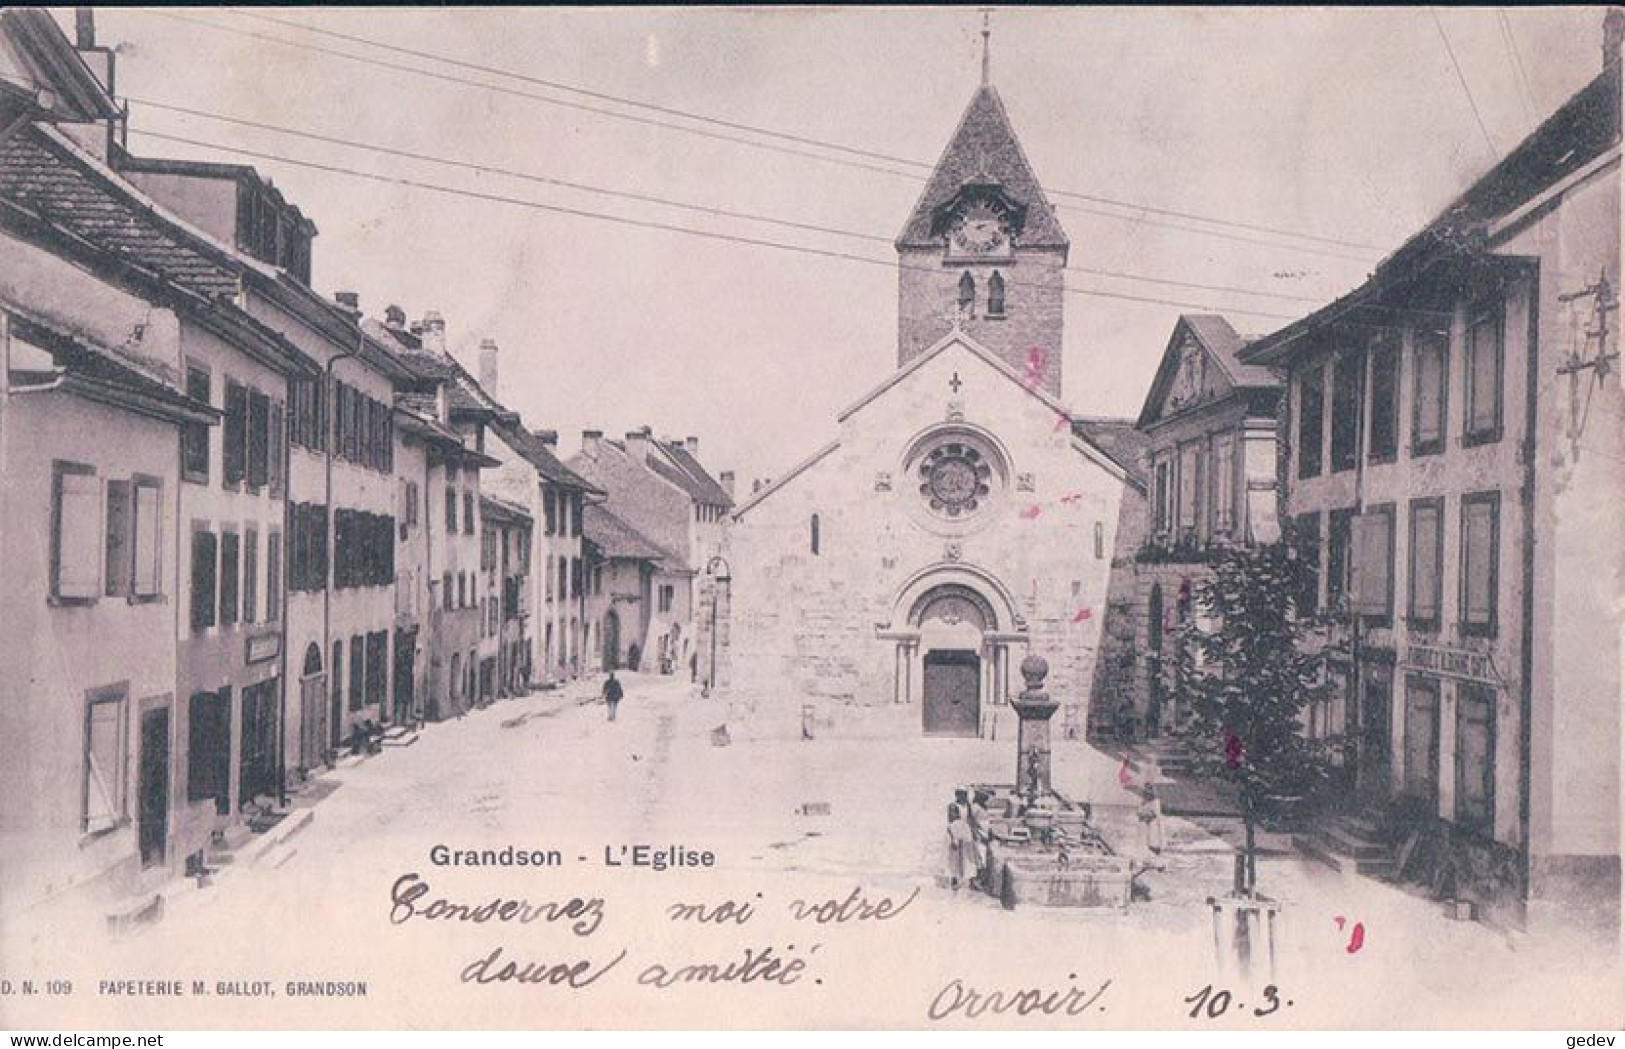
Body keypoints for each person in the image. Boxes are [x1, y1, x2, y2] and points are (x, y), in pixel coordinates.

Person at [945, 804, 975, 890]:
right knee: (954, 864)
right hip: (954, 847)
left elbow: (968, 835)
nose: (950, 815)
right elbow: (949, 836)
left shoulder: (963, 824)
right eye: (949, 813)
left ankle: (967, 881)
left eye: (952, 813)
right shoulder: (950, 826)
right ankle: (955, 880)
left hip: (962, 846)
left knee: (964, 864)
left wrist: (966, 843)